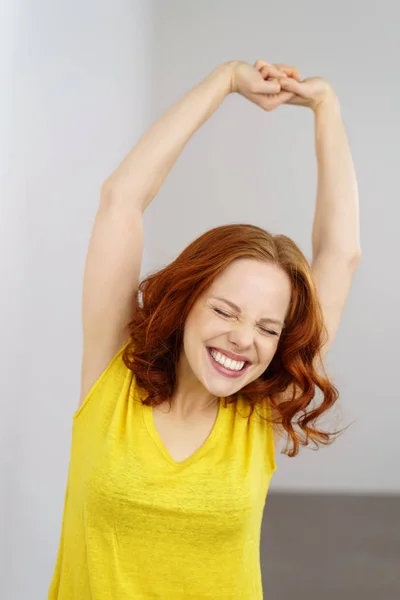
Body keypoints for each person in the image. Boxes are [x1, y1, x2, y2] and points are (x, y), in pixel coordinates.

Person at [48, 60, 361, 599]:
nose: (244, 338)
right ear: (186, 303)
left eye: (267, 326)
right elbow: (121, 197)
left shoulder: (260, 411)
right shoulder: (111, 374)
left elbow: (340, 254)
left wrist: (324, 106)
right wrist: (226, 80)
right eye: (224, 311)